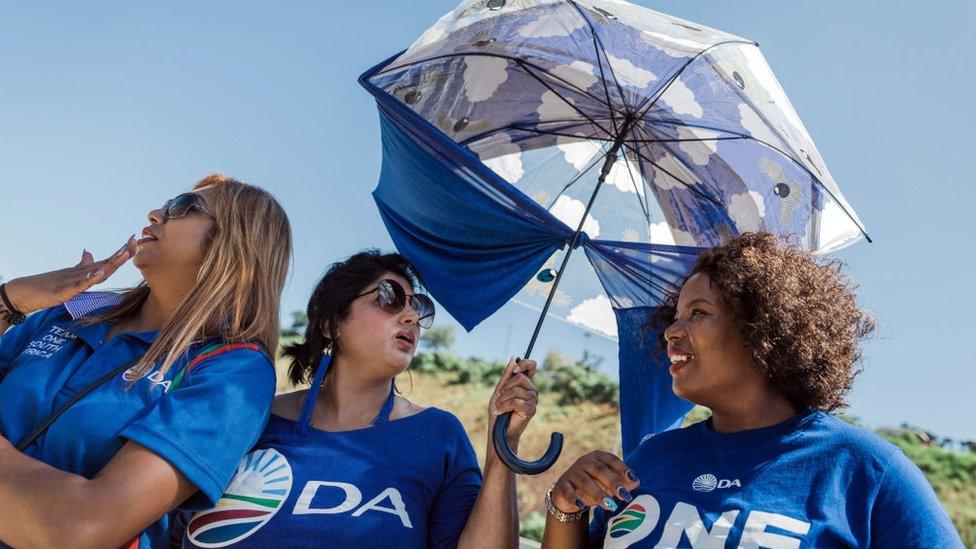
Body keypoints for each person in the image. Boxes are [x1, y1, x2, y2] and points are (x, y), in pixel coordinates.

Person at [541, 232, 963, 548]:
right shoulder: (651, 458)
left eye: (698, 313)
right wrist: (566, 509)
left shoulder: (867, 470)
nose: (671, 330)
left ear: (762, 329)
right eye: (676, 314)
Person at [0, 174, 292, 548]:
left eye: (183, 207)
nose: (155, 214)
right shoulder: (66, 314)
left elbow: (82, 529)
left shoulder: (233, 371)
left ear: (234, 244)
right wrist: (12, 300)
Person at [180, 250, 539, 548]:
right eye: (389, 297)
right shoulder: (250, 416)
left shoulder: (438, 435)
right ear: (331, 322)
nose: (412, 316)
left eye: (419, 308)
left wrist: (501, 450)